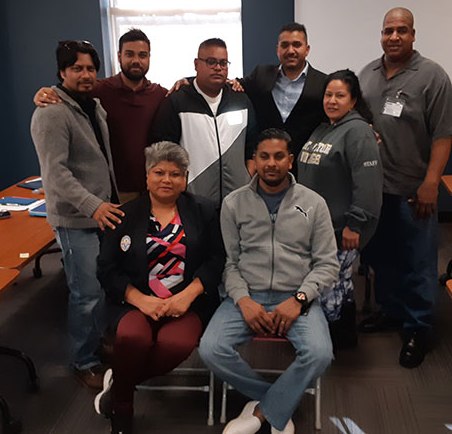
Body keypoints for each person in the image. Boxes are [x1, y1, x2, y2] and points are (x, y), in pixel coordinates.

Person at [199, 129, 338, 434]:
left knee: (320, 353)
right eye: (264, 156)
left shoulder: (314, 203)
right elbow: (229, 263)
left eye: (279, 156)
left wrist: (300, 300)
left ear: (291, 160)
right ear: (254, 161)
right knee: (211, 349)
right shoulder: (234, 203)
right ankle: (275, 402)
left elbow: (327, 263)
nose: (271, 163)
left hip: (296, 297)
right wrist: (244, 300)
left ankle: (262, 412)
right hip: (247, 295)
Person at [357, 7, 452, 368]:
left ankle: (419, 327)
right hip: (375, 189)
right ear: (381, 35)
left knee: (417, 261)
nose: (394, 36)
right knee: (381, 257)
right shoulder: (367, 74)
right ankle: (392, 310)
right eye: (388, 30)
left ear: (414, 35)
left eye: (402, 30)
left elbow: (444, 133)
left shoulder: (432, 76)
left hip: (414, 189)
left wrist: (431, 183)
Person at [95, 141, 224, 434]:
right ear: (147, 176)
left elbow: (218, 260)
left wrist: (189, 294)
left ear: (185, 179)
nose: (167, 179)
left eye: (176, 174)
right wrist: (140, 299)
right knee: (133, 340)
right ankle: (123, 411)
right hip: (134, 302)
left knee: (174, 345)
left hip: (188, 301)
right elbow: (106, 270)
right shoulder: (124, 215)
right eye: (159, 172)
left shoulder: (204, 210)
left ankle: (119, 386)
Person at [30, 40, 124, 388]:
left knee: (100, 286)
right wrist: (93, 206)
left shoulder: (93, 105)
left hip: (101, 213)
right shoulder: (51, 112)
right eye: (77, 69)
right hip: (76, 219)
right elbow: (55, 174)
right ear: (62, 72)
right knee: (85, 293)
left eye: (89, 68)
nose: (85, 75)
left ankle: (97, 344)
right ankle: (83, 361)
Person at [297, 69, 383, 348]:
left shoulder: (358, 132)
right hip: (316, 227)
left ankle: (326, 342)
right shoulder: (325, 128)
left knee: (328, 285)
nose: (332, 100)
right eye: (328, 94)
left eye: (340, 95)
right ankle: (343, 338)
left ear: (353, 100)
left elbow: (368, 186)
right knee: (338, 285)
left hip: (341, 229)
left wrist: (355, 225)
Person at [33, 29, 168, 203]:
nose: (136, 60)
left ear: (149, 57)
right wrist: (45, 92)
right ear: (119, 56)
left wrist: (185, 81)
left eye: (142, 55)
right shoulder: (97, 90)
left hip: (153, 191)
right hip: (113, 194)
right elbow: (67, 91)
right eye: (129, 54)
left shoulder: (161, 95)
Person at [150, 38, 257, 205]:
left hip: (237, 202)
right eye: (211, 61)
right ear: (196, 64)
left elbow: (252, 147)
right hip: (193, 202)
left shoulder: (241, 100)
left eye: (223, 63)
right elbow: (163, 153)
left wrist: (247, 179)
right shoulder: (176, 102)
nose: (218, 68)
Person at [239, 22, 327, 162]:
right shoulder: (261, 75)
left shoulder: (323, 83)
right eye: (284, 45)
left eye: (297, 45)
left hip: (306, 165)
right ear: (277, 49)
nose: (291, 51)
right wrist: (191, 82)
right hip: (267, 164)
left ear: (307, 49)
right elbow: (231, 85)